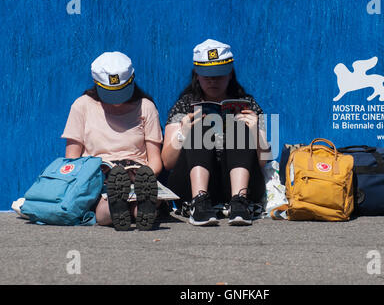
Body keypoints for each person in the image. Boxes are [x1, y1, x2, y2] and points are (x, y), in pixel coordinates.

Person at [162, 39, 271, 226]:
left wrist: (254, 133)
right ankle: (199, 203)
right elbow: (167, 162)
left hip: (238, 182)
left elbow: (263, 161)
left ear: (230, 74)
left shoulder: (247, 103)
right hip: (191, 182)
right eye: (207, 76)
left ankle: (240, 202)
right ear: (197, 75)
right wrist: (183, 134)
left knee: (238, 126)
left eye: (219, 76)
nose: (213, 81)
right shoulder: (185, 105)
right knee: (200, 126)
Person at [62, 51, 163, 231]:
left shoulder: (146, 106)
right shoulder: (82, 105)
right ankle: (119, 209)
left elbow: (155, 159)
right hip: (100, 179)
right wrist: (100, 177)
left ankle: (142, 209)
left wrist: (142, 175)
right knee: (104, 212)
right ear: (96, 83)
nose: (117, 100)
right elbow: (72, 158)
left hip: (138, 177)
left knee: (143, 202)